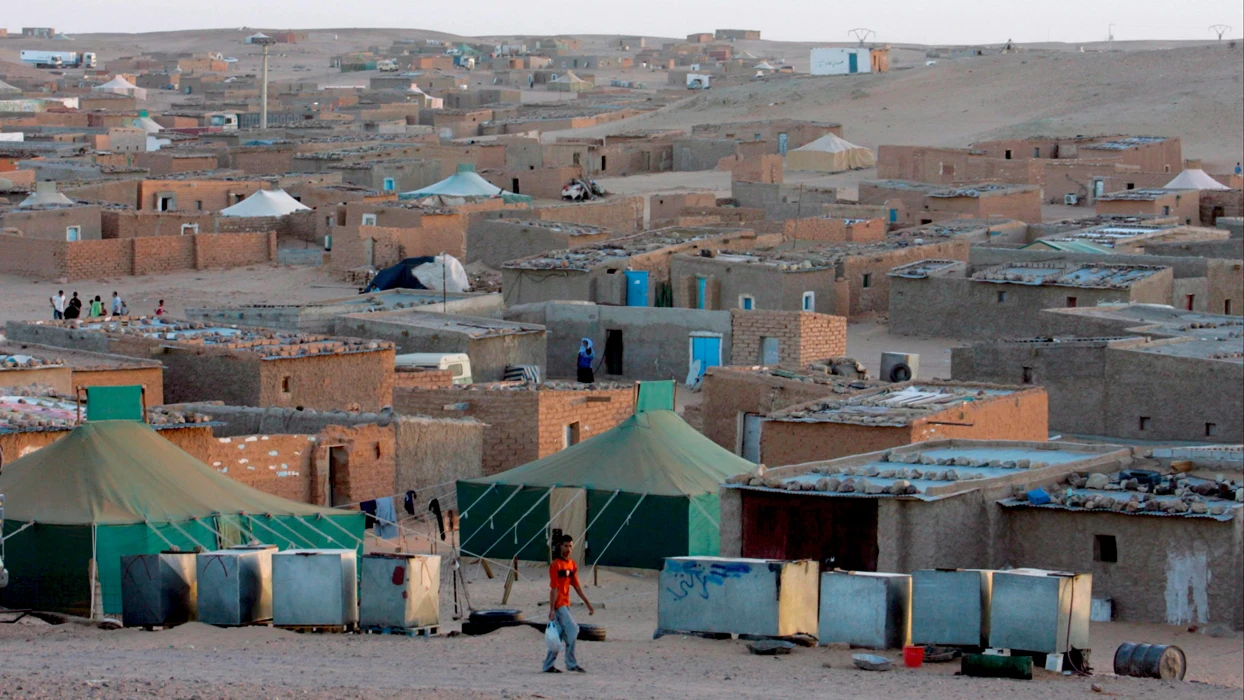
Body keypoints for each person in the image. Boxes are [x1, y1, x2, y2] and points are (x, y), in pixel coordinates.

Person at [544, 534, 593, 674]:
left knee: (558, 636)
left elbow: (577, 586)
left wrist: (587, 603)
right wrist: (552, 609)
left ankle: (548, 665)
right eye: (566, 546)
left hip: (566, 604)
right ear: (560, 546)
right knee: (573, 630)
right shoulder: (556, 565)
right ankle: (571, 663)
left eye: (570, 546)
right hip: (560, 605)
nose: (568, 549)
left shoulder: (571, 565)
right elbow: (553, 588)